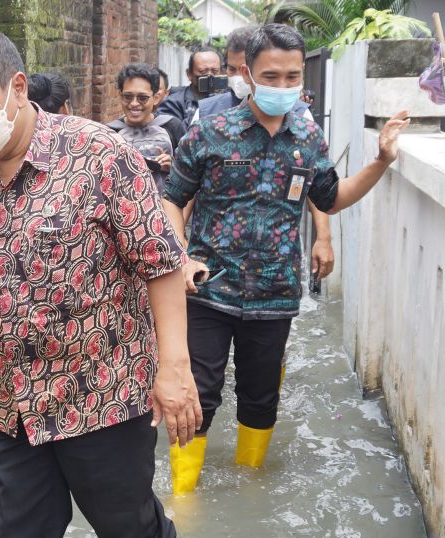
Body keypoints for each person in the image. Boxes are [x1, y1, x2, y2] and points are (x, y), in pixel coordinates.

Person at [0, 28, 202, 538]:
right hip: (10, 402)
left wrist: (174, 370)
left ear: (17, 89)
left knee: (130, 528)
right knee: (15, 537)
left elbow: (160, 265)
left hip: (102, 395)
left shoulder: (100, 155)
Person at [161, 23, 409, 493]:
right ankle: (183, 498)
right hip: (208, 287)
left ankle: (250, 482)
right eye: (271, 77)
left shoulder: (307, 136)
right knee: (199, 393)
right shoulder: (212, 132)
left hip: (275, 293)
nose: (282, 87)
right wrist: (181, 258)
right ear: (247, 74)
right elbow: (173, 198)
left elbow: (331, 198)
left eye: (292, 77)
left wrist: (380, 161)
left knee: (260, 397)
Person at [193, 25, 336, 297]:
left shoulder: (301, 121)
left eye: (289, 75)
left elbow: (316, 185)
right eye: (232, 69)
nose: (237, 77)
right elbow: (183, 189)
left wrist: (324, 237)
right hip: (215, 269)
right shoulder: (206, 116)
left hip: (274, 274)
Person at [105, 63, 186, 193]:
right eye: (128, 97)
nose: (134, 103)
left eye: (142, 98)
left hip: (165, 207)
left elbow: (191, 173)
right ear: (120, 96)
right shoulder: (109, 132)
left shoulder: (172, 126)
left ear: (156, 98)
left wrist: (173, 166)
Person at [157, 46, 223, 125]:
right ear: (189, 74)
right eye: (203, 71)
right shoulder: (172, 103)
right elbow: (173, 133)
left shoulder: (228, 99)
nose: (209, 75)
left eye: (215, 71)